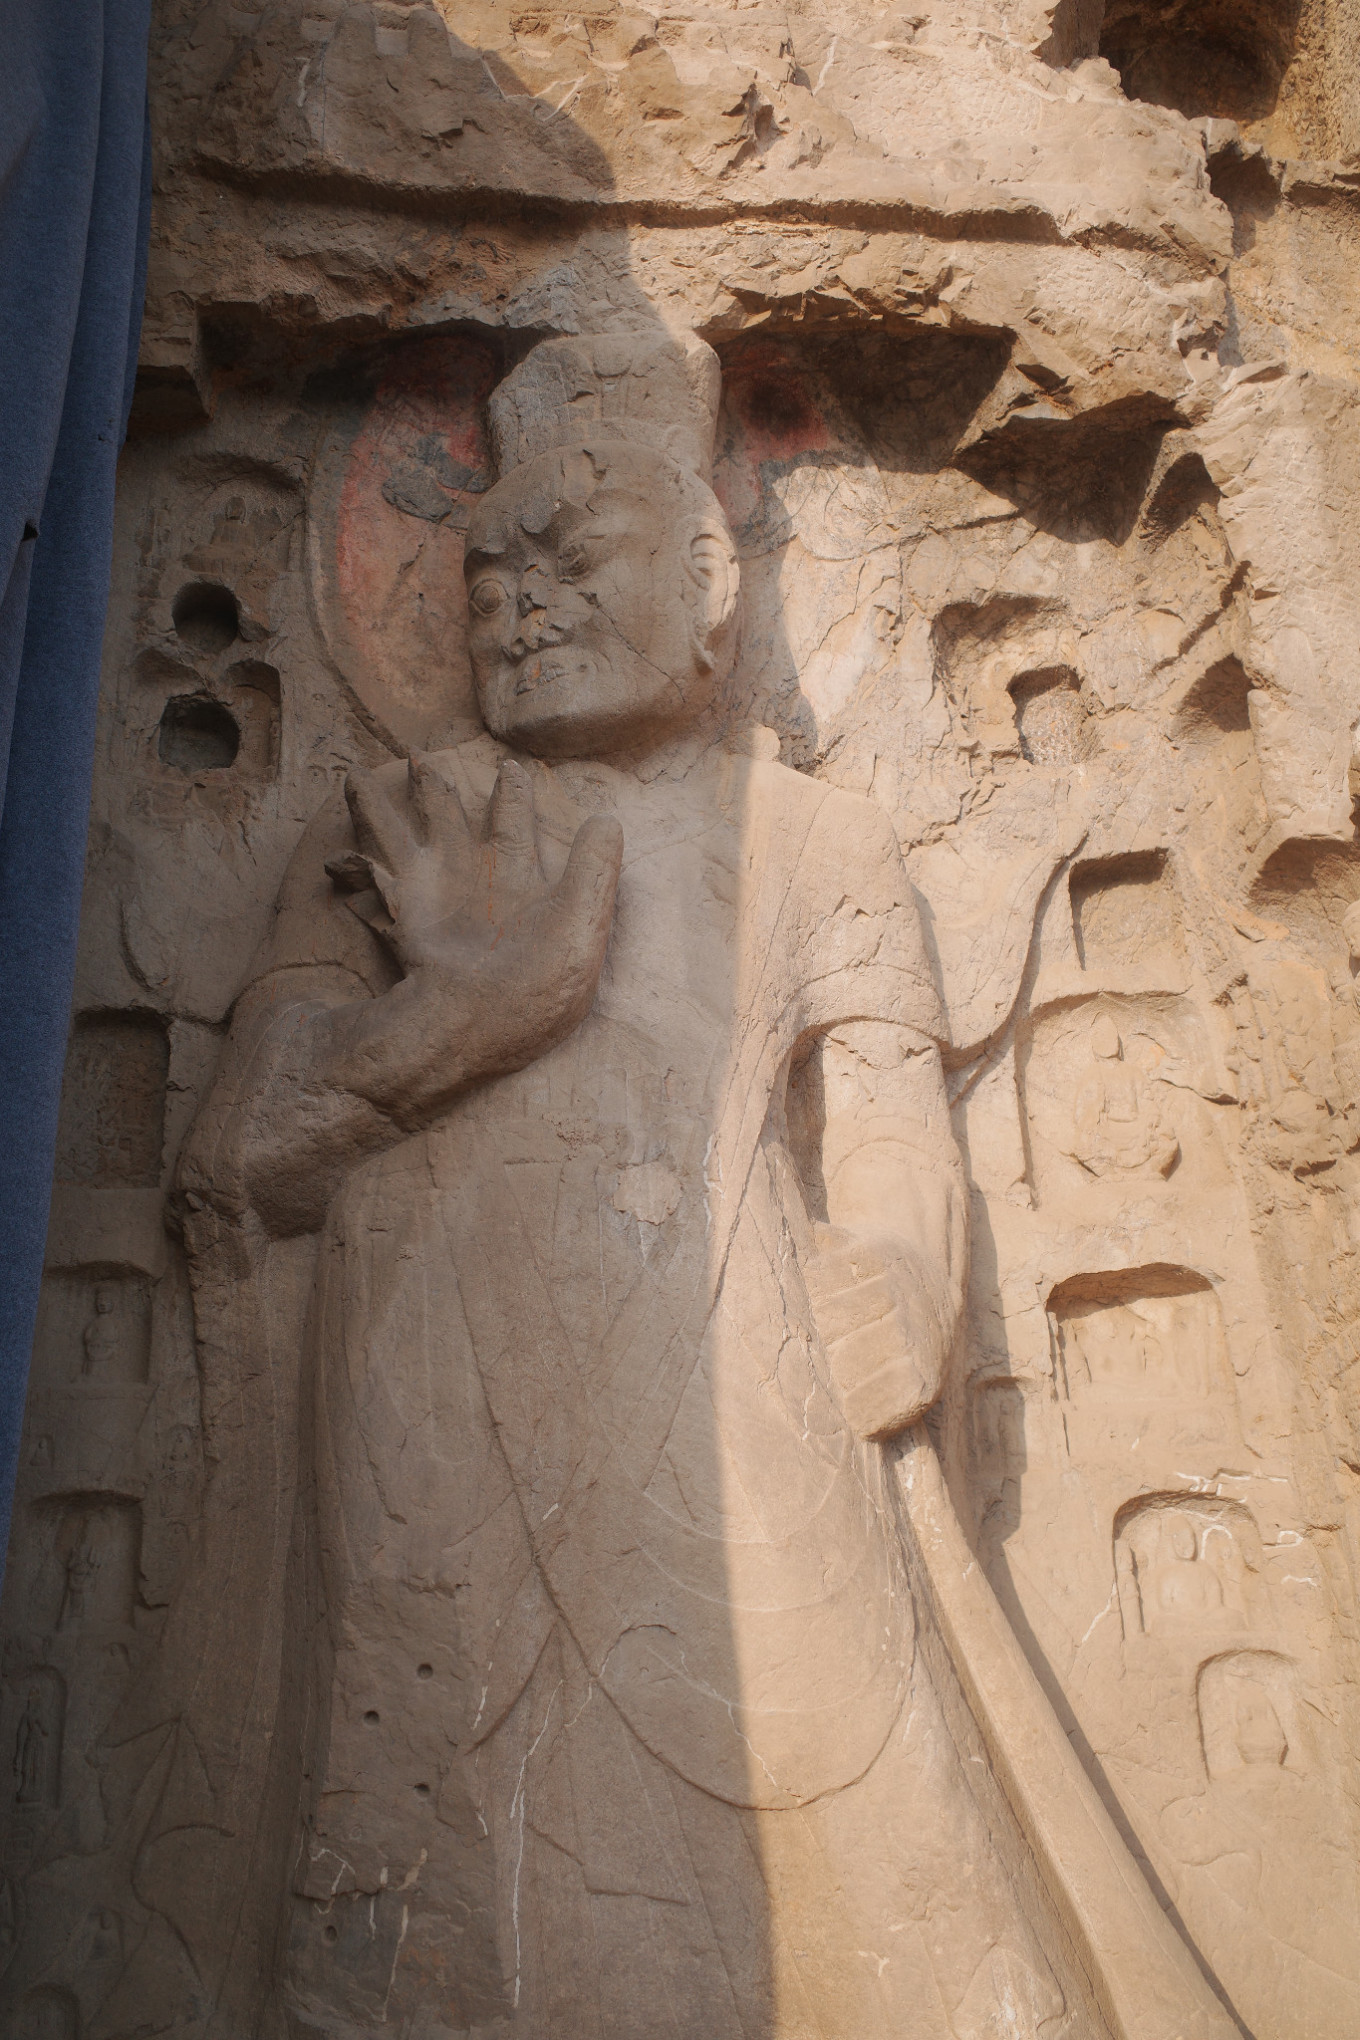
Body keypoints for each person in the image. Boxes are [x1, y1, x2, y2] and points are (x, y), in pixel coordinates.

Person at [164, 335, 1075, 2038]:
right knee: (427, 1882)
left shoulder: (815, 840)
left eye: (575, 558)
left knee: (873, 1838)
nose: (522, 606)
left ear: (715, 586)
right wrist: (461, 1017)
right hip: (434, 1407)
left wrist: (901, 1268)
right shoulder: (387, 822)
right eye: (489, 574)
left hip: (743, 1381)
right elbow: (239, 1165)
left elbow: (891, 1123)